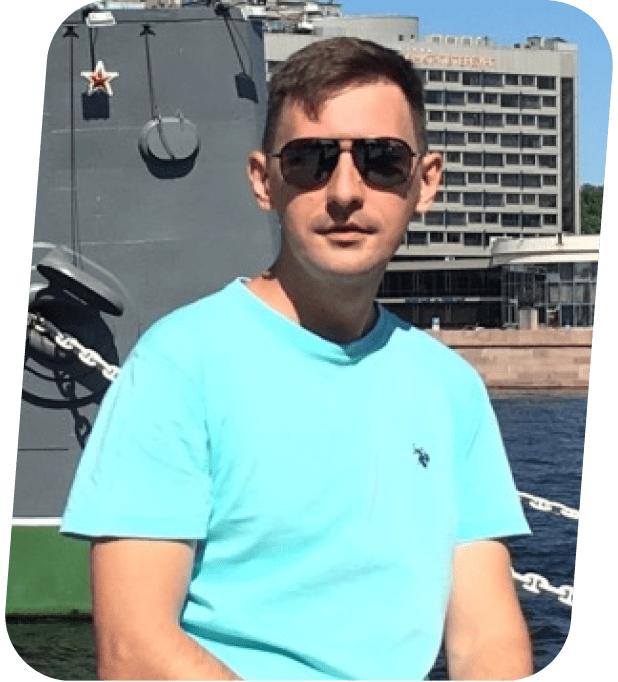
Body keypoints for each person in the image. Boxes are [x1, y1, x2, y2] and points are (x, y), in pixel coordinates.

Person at [61, 37, 533, 681]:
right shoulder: (179, 365)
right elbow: (134, 651)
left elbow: (486, 639)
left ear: (425, 182)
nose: (345, 191)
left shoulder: (451, 387)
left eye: (382, 160)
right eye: (311, 160)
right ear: (265, 181)